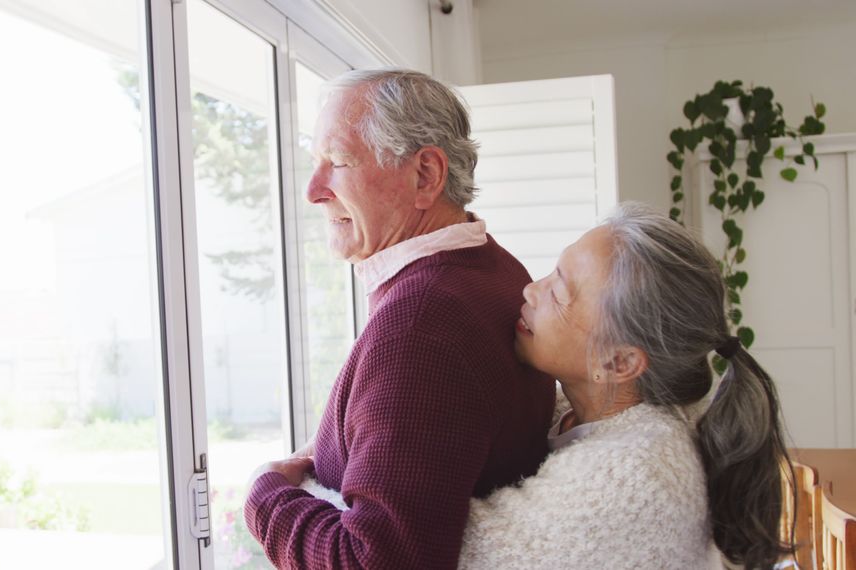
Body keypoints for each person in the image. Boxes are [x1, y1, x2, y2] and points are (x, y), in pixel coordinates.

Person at [243, 69, 555, 568]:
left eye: (338, 161)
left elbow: (375, 559)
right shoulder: (496, 266)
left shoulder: (423, 322)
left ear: (426, 176)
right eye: (314, 162)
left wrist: (265, 498)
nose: (313, 190)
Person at [457, 202, 793, 568]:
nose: (530, 291)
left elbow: (447, 547)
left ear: (619, 362)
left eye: (558, 293)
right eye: (553, 273)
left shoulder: (632, 477)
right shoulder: (592, 414)